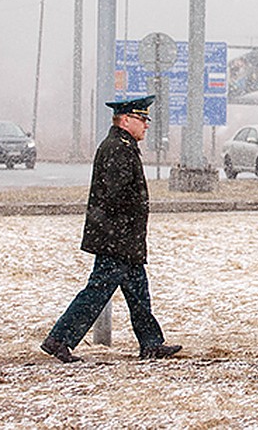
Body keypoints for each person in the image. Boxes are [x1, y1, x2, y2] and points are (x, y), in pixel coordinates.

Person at [40, 95, 181, 362]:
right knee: (97, 292)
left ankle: (151, 343)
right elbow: (117, 197)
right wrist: (126, 232)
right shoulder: (118, 148)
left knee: (138, 293)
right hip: (116, 240)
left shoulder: (122, 145)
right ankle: (59, 339)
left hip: (122, 239)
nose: (146, 125)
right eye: (142, 119)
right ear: (126, 120)